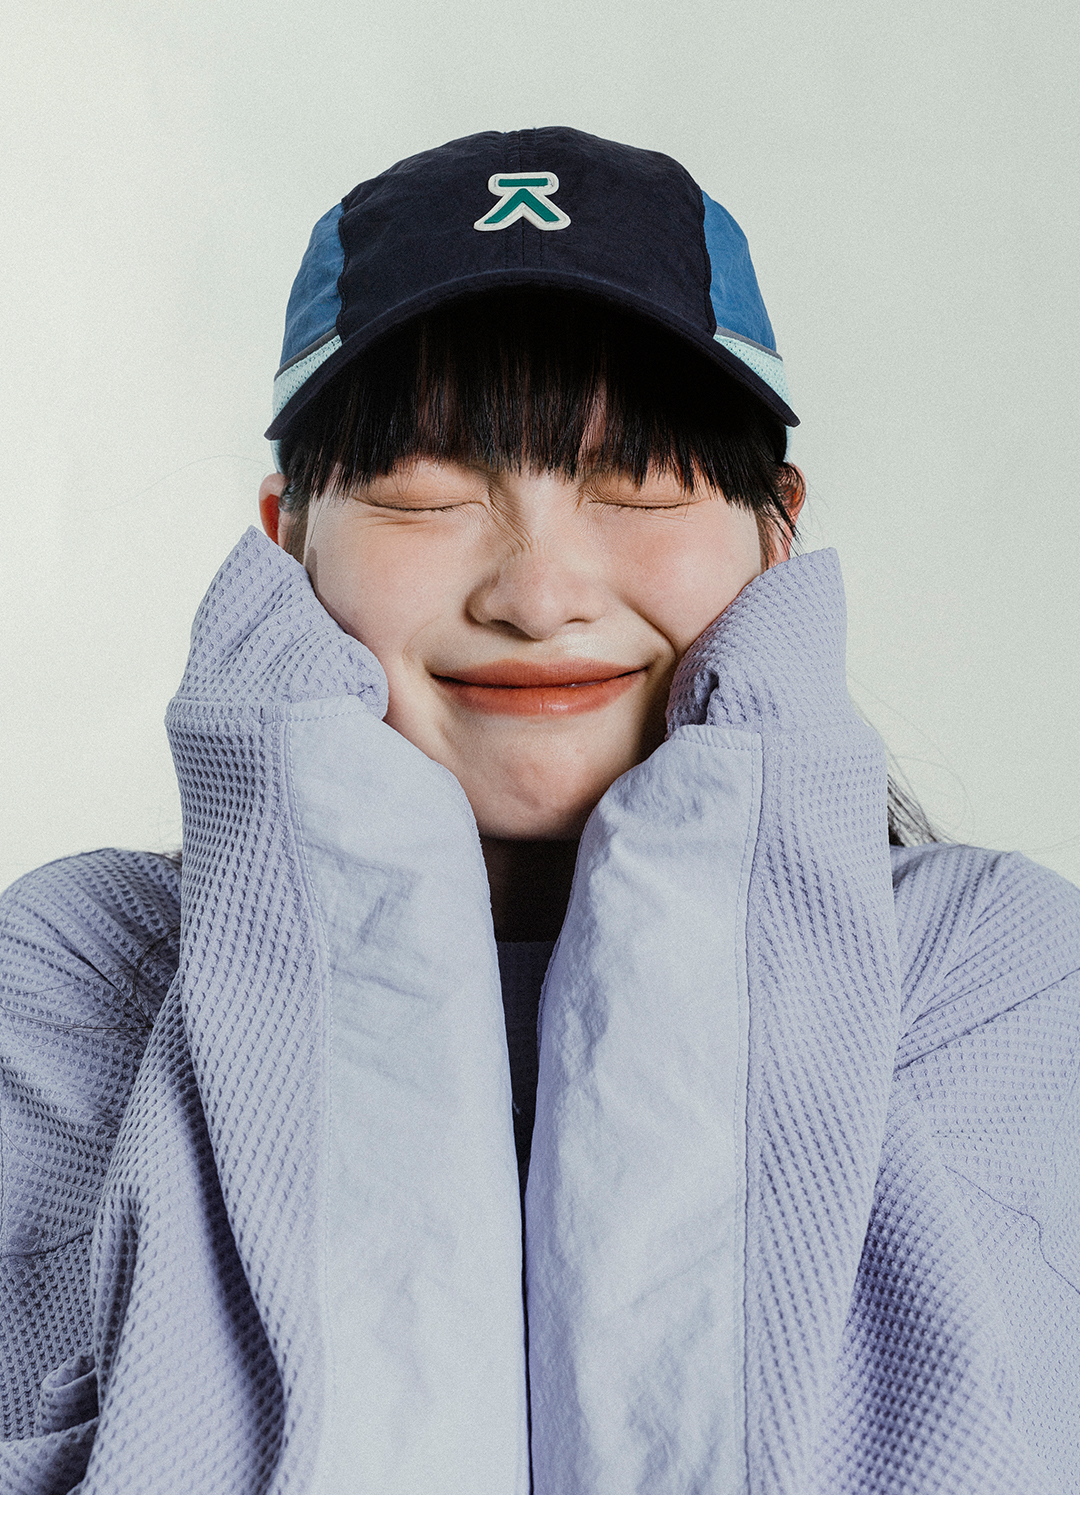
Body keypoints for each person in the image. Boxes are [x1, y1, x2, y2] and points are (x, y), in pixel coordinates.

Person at [2, 126, 1079, 1496]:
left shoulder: (989, 973)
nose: (538, 594)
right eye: (425, 492)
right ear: (287, 536)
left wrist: (715, 853)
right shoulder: (77, 975)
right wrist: (349, 877)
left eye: (640, 482)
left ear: (776, 531)